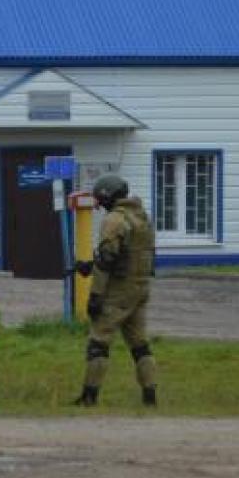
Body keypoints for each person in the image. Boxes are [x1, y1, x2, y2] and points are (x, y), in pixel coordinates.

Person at [72, 174, 158, 407]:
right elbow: (133, 255)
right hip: (140, 288)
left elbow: (108, 260)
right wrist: (89, 266)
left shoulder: (114, 221)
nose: (100, 205)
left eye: (100, 200)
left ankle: (89, 396)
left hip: (118, 291)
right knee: (140, 345)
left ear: (107, 196)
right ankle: (150, 396)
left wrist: (95, 296)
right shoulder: (142, 218)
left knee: (98, 343)